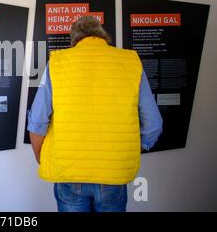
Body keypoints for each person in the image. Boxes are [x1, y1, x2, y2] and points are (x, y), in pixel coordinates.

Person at [27, 16, 163, 212]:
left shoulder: (58, 63)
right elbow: (154, 124)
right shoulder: (130, 62)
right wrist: (133, 148)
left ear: (74, 40)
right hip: (114, 172)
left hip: (69, 172)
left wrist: (41, 157)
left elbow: (38, 121)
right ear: (103, 36)